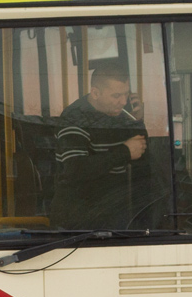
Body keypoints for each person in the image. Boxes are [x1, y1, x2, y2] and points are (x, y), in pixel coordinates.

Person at [51, 62, 150, 229]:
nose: (123, 101)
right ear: (95, 93)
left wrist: (137, 121)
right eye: (116, 96)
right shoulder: (75, 118)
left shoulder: (119, 113)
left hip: (115, 204)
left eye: (126, 95)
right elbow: (76, 170)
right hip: (81, 212)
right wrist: (124, 152)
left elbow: (142, 154)